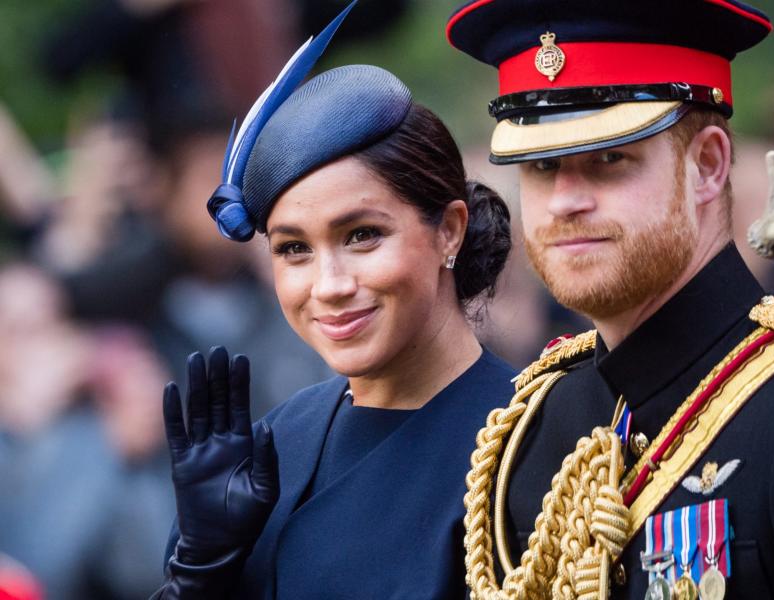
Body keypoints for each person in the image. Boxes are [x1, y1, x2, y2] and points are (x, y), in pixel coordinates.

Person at [445, 1, 774, 598]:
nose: (564, 201)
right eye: (541, 165)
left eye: (610, 159)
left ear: (709, 166)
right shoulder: (536, 422)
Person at [153, 5, 514, 598]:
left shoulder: (530, 441)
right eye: (294, 249)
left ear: (449, 230)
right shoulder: (277, 443)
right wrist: (197, 573)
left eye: (362, 235)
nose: (329, 284)